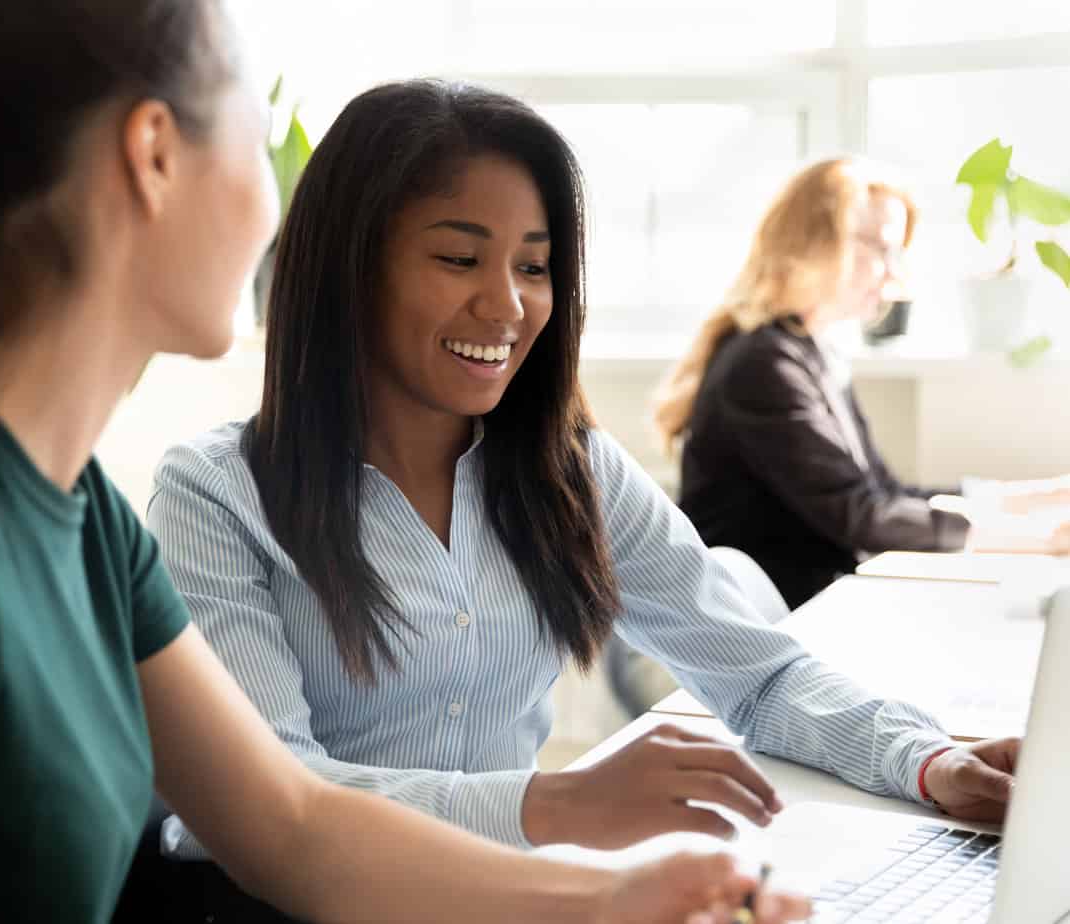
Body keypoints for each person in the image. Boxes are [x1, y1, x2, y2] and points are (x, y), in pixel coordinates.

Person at [0, 5, 808, 924]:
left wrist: (613, 901)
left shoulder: (81, 515)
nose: (282, 212)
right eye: (256, 138)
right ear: (155, 155)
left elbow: (296, 829)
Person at [146, 80, 1021, 917]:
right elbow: (276, 800)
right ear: (349, 269)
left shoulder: (569, 472)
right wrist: (552, 806)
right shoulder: (216, 496)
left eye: (534, 266)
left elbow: (760, 674)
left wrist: (925, 761)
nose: (508, 304)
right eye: (459, 258)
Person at [657, 158, 1070, 609]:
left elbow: (885, 495)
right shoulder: (763, 365)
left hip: (805, 606)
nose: (895, 273)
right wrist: (1039, 537)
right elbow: (863, 517)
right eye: (882, 250)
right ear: (817, 244)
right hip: (769, 620)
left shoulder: (813, 354)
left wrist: (1040, 498)